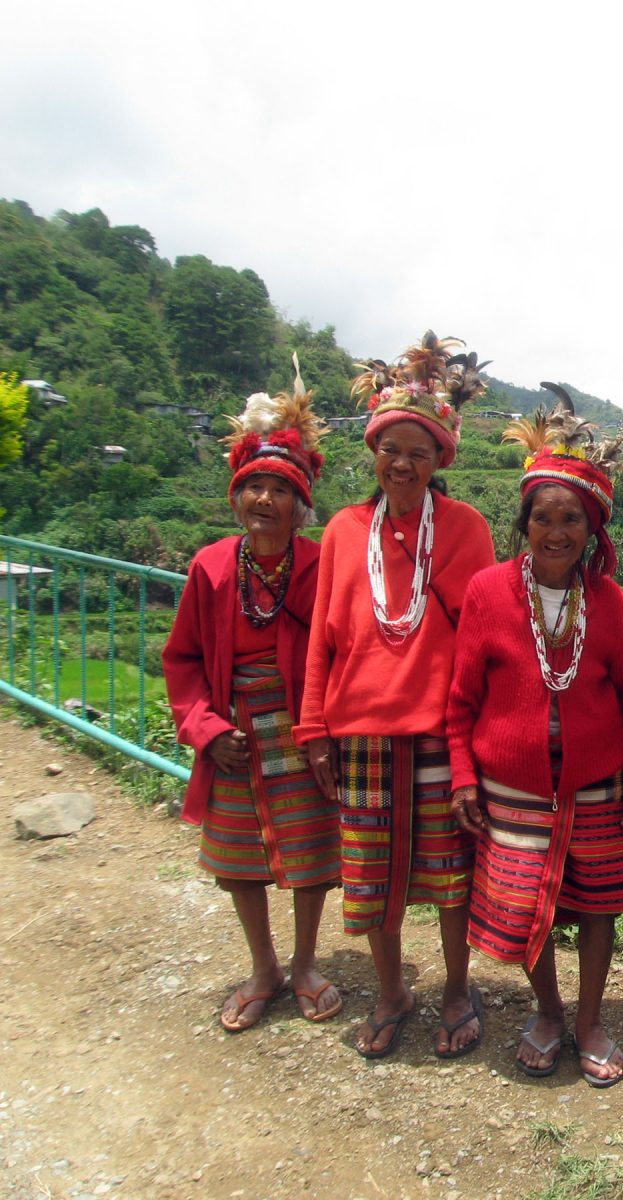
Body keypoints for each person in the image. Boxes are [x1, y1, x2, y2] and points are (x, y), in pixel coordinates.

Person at [294, 331, 496, 1059]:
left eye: (418, 451)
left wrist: (479, 742)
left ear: (440, 458)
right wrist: (313, 730)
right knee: (371, 876)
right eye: (390, 449)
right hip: (360, 733)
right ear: (373, 453)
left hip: (441, 733)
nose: (402, 463)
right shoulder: (344, 531)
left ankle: (456, 990)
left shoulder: (467, 529)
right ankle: (391, 992)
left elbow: (484, 642)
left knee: (450, 876)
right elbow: (322, 638)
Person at [447, 389, 623, 1087]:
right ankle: (547, 1011)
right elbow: (460, 703)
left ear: (592, 530)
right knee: (524, 901)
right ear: (524, 523)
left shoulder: (609, 600)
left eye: (572, 519)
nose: (556, 531)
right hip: (514, 787)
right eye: (543, 517)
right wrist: (464, 777)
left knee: (596, 905)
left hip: (597, 784)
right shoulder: (487, 593)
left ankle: (590, 1021)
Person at [163, 359, 343, 1031]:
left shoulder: (323, 565)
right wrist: (205, 729)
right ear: (237, 498)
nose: (265, 500)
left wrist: (321, 728)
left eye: (279, 489)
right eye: (253, 487)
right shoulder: (211, 568)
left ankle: (305, 963)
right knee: (240, 860)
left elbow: (341, 652)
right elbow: (183, 659)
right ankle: (264, 967)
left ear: (301, 504)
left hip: (303, 729)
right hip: (233, 734)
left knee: (311, 853)